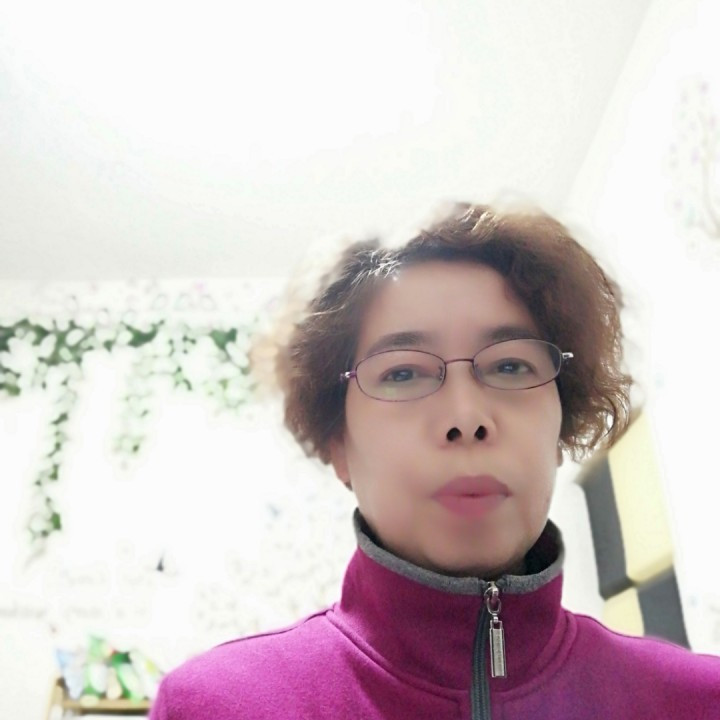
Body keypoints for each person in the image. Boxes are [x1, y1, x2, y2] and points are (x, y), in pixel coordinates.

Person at [149, 203, 720, 719]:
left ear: (560, 426)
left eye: (511, 366)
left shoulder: (699, 701)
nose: (466, 417)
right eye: (402, 372)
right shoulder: (212, 706)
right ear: (338, 444)